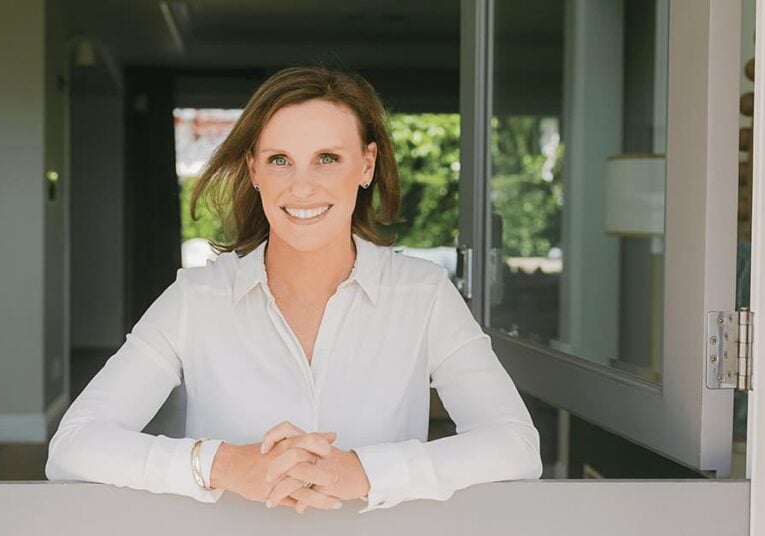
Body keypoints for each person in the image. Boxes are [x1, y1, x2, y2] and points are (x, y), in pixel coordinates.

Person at [45, 66, 542, 514]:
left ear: (366, 165)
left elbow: (515, 445)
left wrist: (364, 472)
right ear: (254, 169)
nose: (301, 186)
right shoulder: (195, 298)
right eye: (280, 160)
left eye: (327, 158)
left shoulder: (424, 293)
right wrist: (222, 464)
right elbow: (74, 445)